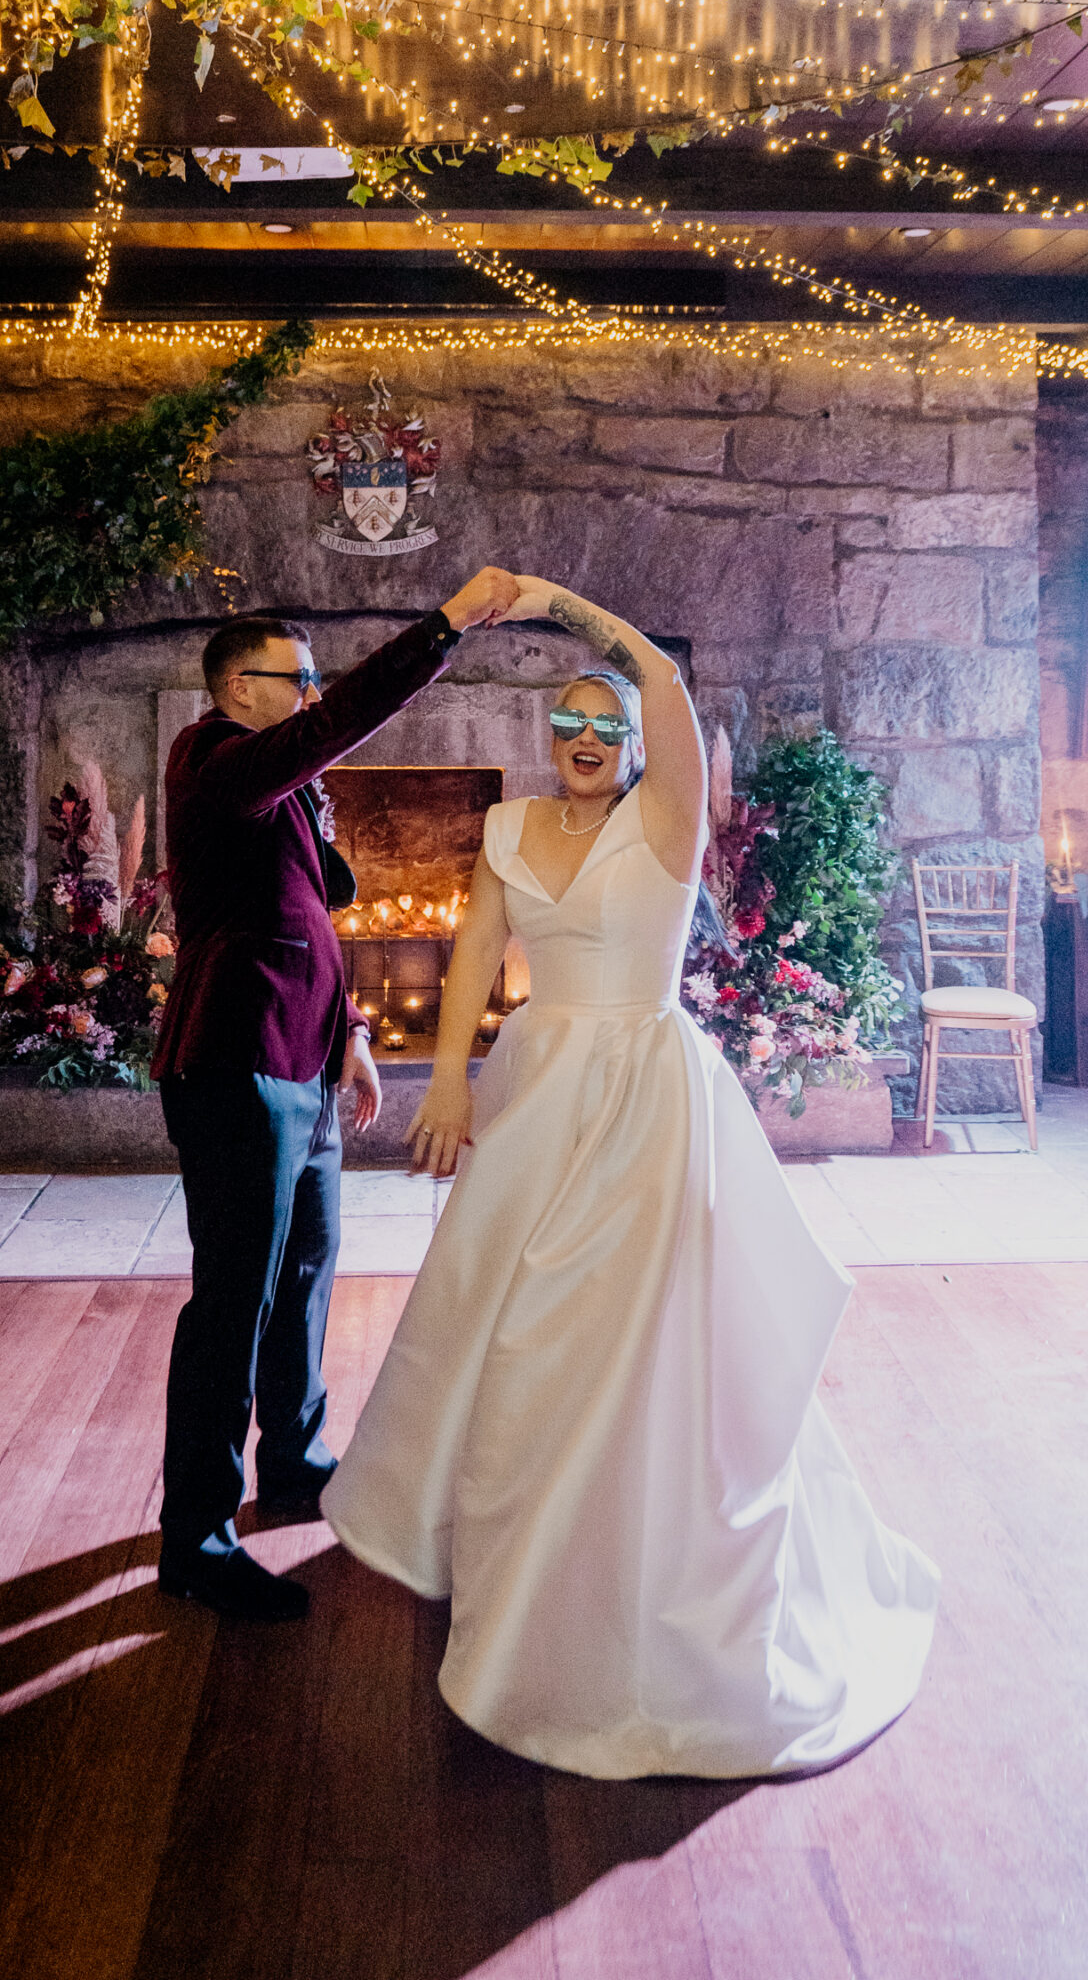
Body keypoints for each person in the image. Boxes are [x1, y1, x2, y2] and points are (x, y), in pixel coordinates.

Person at [323, 575, 939, 1777]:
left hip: (649, 1093)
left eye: (607, 724)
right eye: (569, 724)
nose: (591, 740)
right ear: (545, 739)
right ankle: (505, 1544)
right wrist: (442, 1082)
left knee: (624, 1325)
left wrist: (559, 604)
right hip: (538, 1082)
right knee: (504, 1320)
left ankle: (631, 1560)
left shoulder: (667, 827)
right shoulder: (507, 831)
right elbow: (473, 962)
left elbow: (658, 678)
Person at [154, 570, 522, 1624]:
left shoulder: (278, 784)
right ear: (237, 690)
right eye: (297, 676)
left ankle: (298, 1458)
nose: (314, 691)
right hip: (234, 1064)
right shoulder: (212, 760)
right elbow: (345, 723)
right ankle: (198, 1538)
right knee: (233, 1298)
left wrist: (353, 1035)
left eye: (317, 675)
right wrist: (443, 625)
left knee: (307, 1268)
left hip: (303, 1059)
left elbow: (302, 921)